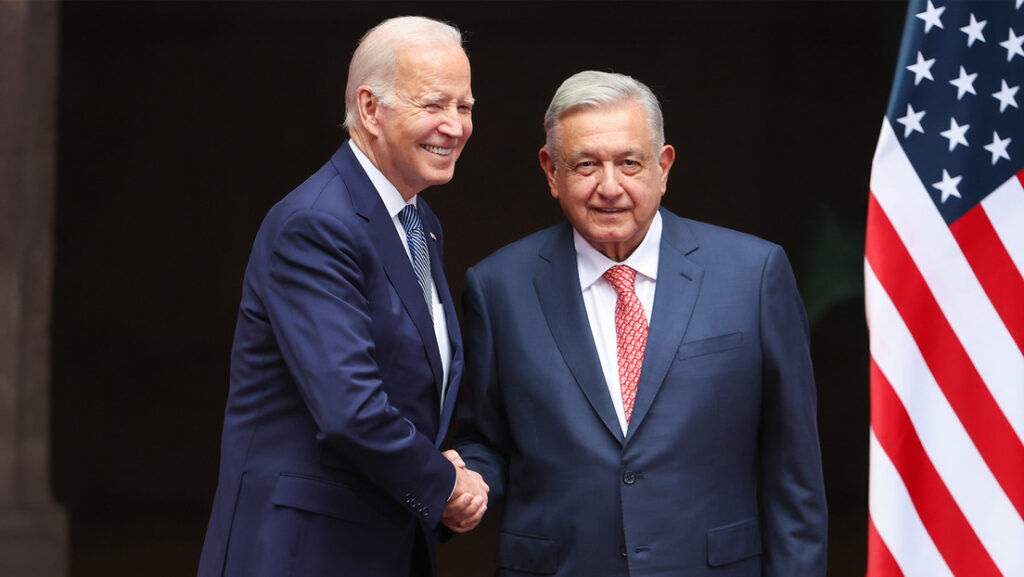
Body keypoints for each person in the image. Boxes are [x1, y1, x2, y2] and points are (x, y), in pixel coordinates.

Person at [453, 70, 827, 576]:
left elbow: (794, 470)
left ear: (663, 166)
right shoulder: (498, 287)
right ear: (551, 172)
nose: (610, 187)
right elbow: (484, 438)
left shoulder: (753, 275)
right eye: (586, 164)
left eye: (629, 163)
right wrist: (467, 482)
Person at [197, 16, 488, 577]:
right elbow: (351, 409)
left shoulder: (419, 223)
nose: (454, 126)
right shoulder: (316, 224)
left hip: (376, 543)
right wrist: (445, 485)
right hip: (303, 551)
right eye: (433, 104)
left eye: (465, 106)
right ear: (370, 108)